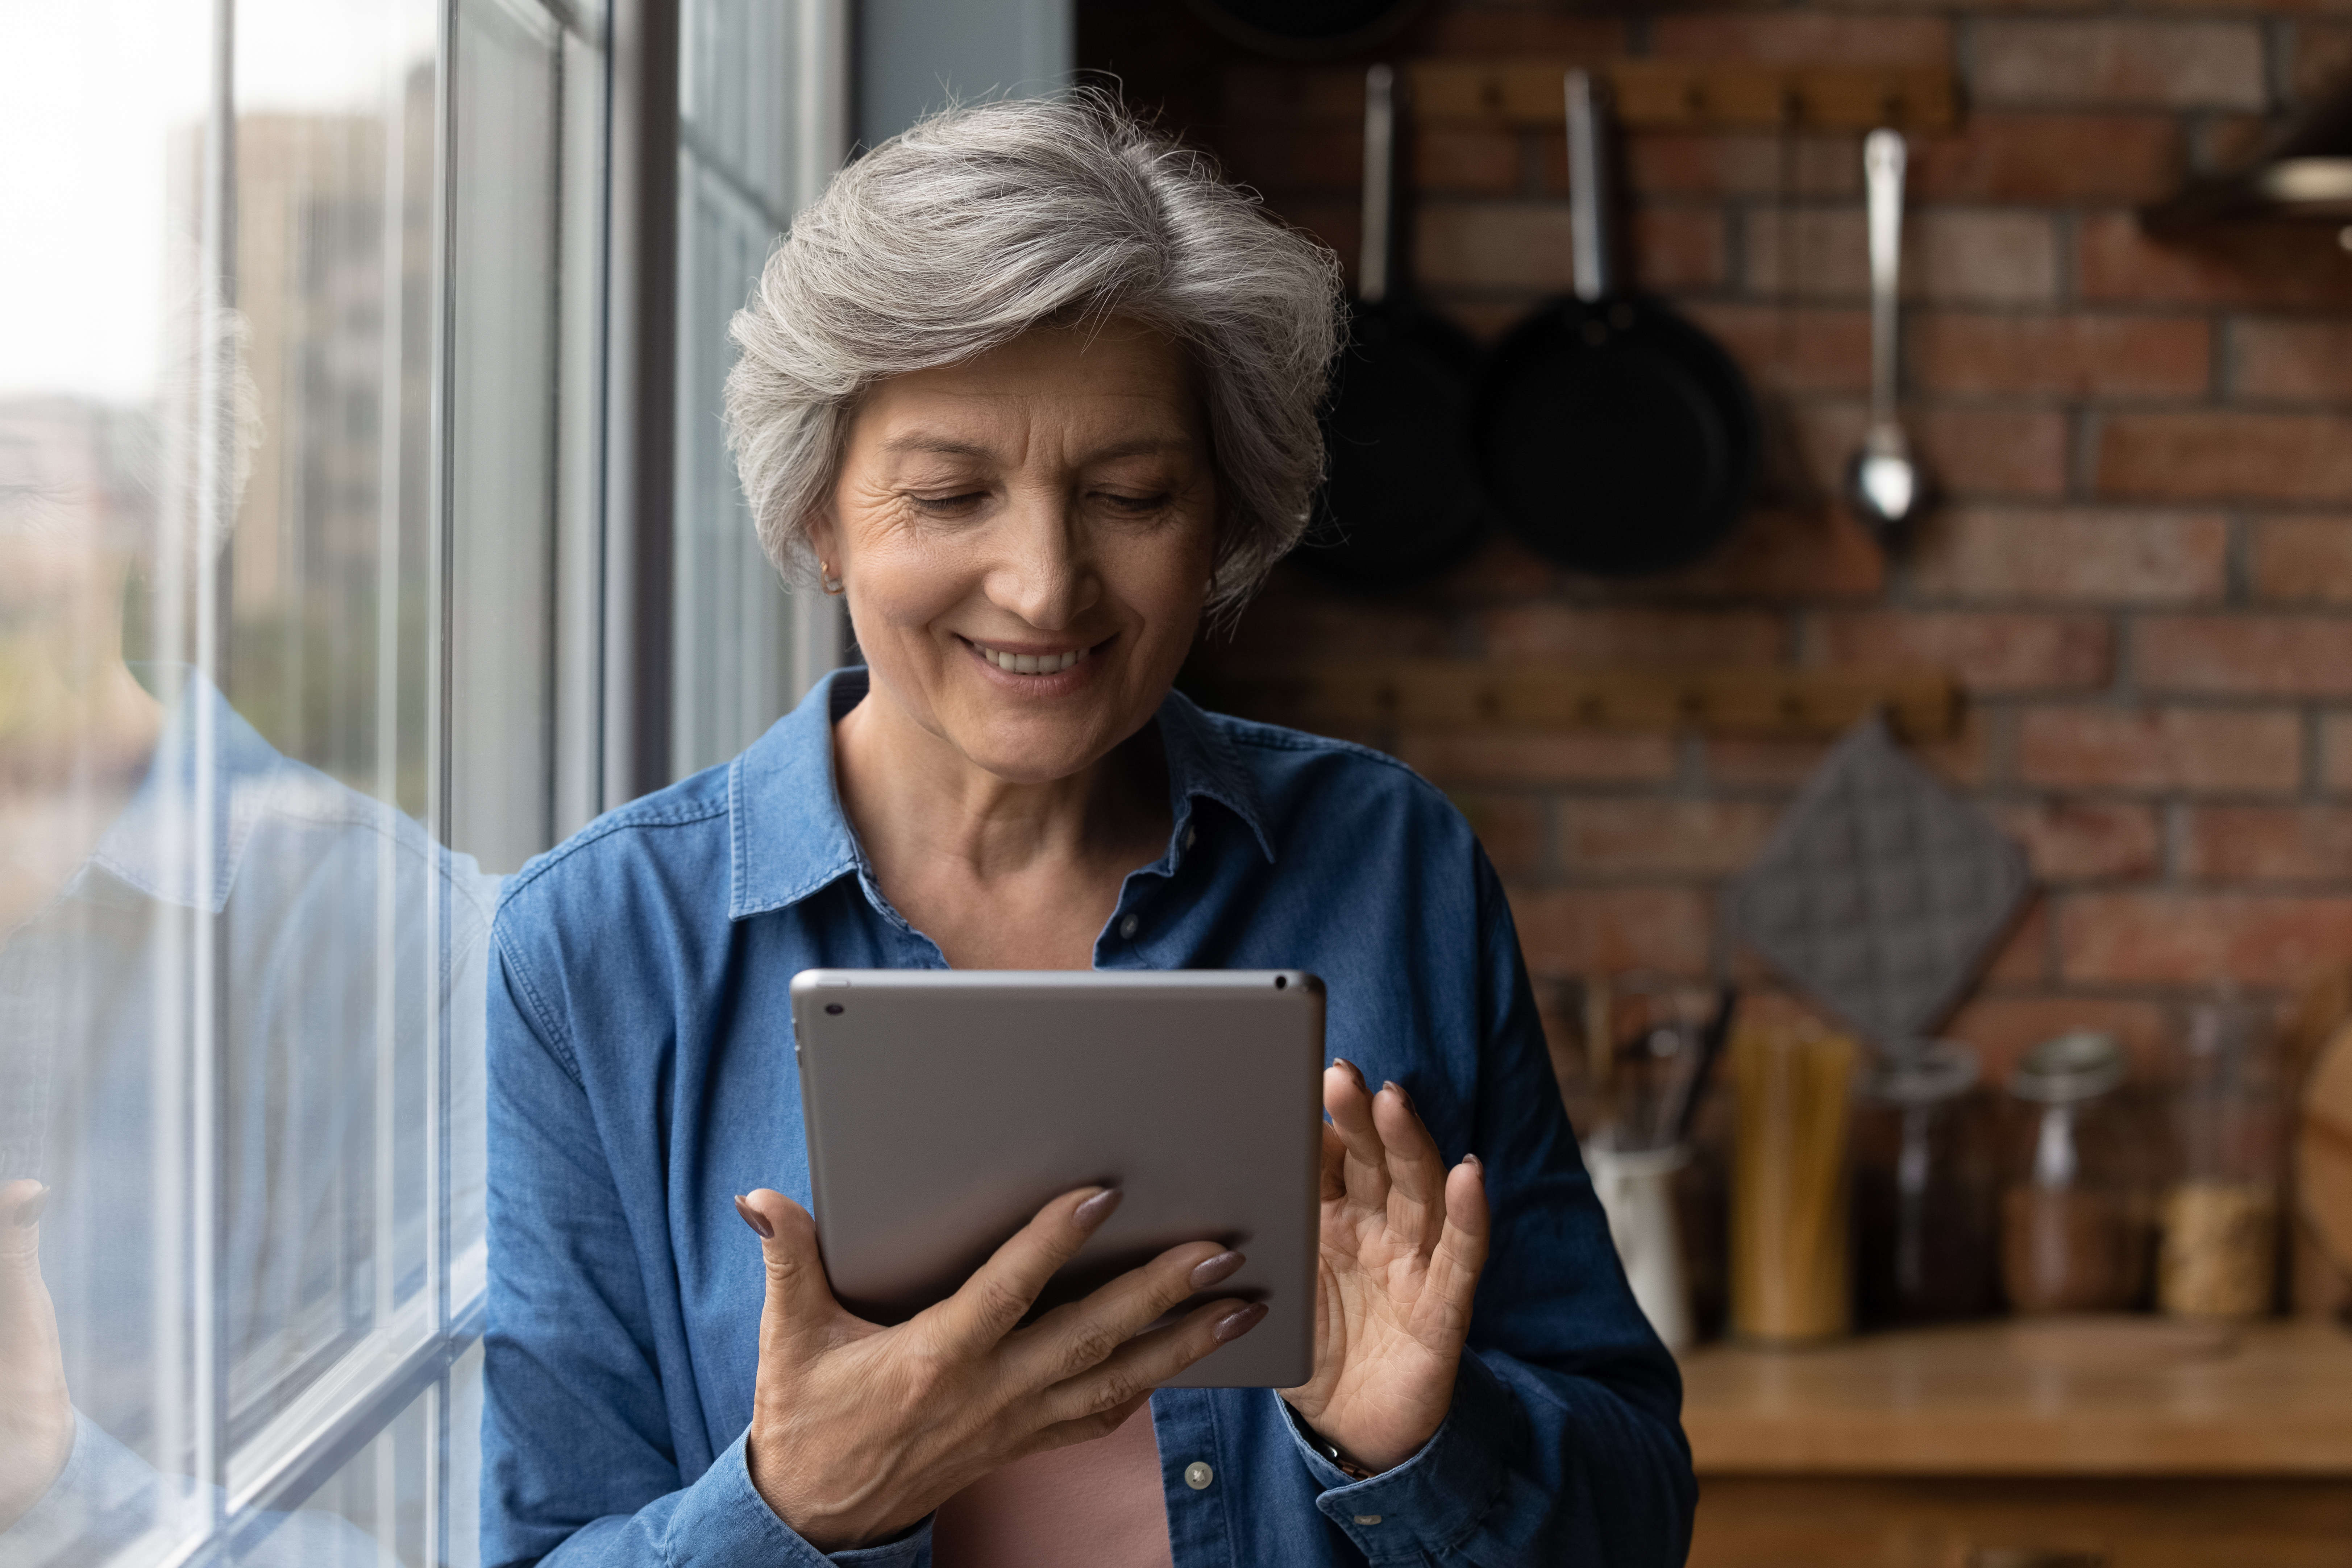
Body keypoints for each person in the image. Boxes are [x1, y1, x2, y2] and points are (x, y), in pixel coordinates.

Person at [482, 93, 1694, 1568]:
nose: (1045, 585)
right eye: (949, 494)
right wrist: (797, 1506)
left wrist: (1418, 1442)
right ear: (819, 516)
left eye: (1130, 494)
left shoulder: (1391, 862)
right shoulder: (600, 947)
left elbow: (1637, 1507)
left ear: (1225, 517)